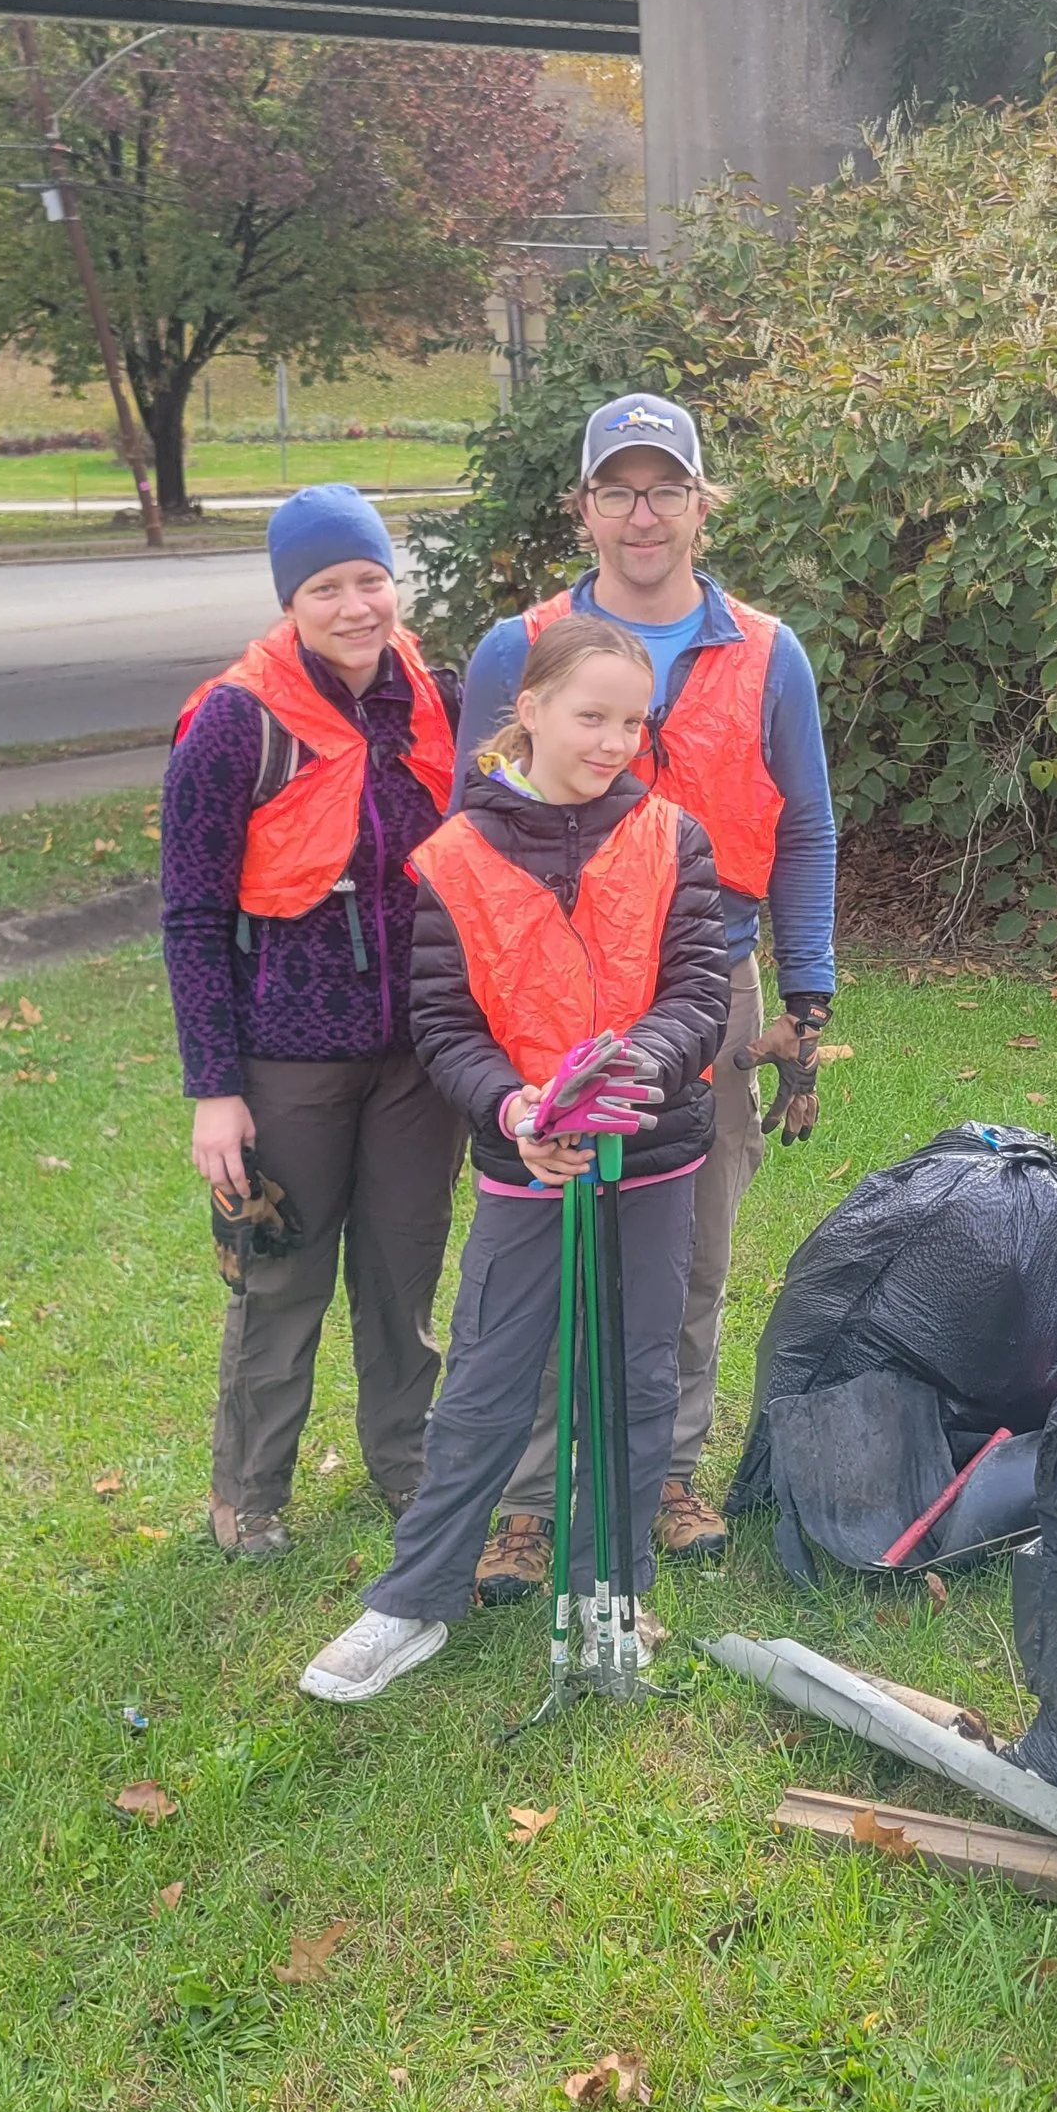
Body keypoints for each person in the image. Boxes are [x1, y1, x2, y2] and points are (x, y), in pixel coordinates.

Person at [298, 613, 731, 1703]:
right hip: (525, 1165)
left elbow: (699, 993)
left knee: (635, 1379)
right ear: (527, 711)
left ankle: (611, 1588)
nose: (613, 742)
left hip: (653, 1156)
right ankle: (411, 1601)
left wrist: (639, 1073)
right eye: (590, 717)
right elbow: (444, 1024)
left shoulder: (674, 837)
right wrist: (513, 1108)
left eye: (633, 722)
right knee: (487, 1380)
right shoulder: (454, 856)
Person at [453, 392, 836, 1599]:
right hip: (541, 992)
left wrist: (806, 988)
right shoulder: (518, 648)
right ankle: (524, 1502)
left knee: (688, 1249)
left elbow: (809, 823)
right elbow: (467, 829)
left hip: (701, 981)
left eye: (665, 489)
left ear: (700, 507)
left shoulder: (768, 653)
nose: (642, 515)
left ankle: (665, 1471)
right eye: (616, 491)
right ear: (583, 509)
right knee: (533, 1244)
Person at [163, 484, 465, 1557]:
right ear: (291, 599)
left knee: (404, 1276)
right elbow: (192, 915)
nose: (354, 606)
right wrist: (215, 1088)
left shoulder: (438, 698)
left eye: (370, 580)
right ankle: (248, 1495)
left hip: (418, 1059)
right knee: (282, 1279)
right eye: (325, 586)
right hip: (286, 1056)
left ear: (395, 583)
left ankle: (409, 1465)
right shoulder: (234, 724)